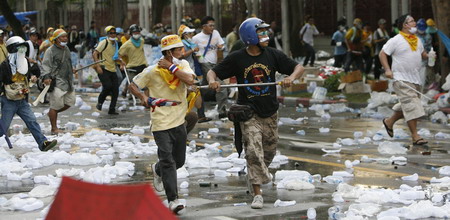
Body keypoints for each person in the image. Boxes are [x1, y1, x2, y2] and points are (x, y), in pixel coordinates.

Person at [207, 18, 305, 209]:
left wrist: (290, 78)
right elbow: (213, 73)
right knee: (253, 151)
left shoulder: (273, 55)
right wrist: (213, 81)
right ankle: (258, 193)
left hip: (270, 112)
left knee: (268, 152)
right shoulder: (237, 57)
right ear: (251, 36)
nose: (266, 36)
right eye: (261, 33)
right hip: (248, 111)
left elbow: (298, 67)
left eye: (266, 32)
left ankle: (255, 177)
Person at [128, 34, 195, 215]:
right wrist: (143, 97)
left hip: (179, 121)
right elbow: (132, 85)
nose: (183, 52)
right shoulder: (152, 71)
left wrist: (172, 67)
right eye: (179, 49)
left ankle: (157, 170)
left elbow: (190, 80)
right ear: (169, 52)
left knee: (178, 161)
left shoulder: (183, 66)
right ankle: (173, 200)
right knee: (168, 161)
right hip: (160, 123)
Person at [380, 14, 431, 146]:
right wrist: (387, 70)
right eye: (412, 21)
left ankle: (389, 122)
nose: (415, 23)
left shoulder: (417, 40)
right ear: (405, 25)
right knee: (412, 105)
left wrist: (429, 55)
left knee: (408, 105)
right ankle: (415, 136)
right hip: (401, 78)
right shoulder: (396, 40)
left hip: (415, 78)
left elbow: (422, 55)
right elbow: (382, 53)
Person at [0, 36, 58, 151]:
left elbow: (32, 75)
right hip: (9, 101)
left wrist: (35, 79)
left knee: (32, 121)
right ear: (13, 49)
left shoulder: (25, 62)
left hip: (22, 101)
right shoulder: (5, 66)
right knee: (4, 126)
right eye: (20, 48)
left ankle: (43, 143)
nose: (23, 51)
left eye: (23, 48)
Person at [41, 29, 76, 135]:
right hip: (56, 81)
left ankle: (52, 113)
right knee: (55, 105)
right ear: (56, 39)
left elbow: (68, 62)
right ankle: (54, 128)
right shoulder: (50, 51)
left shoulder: (67, 49)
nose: (65, 38)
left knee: (70, 102)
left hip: (68, 81)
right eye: (62, 37)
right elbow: (46, 65)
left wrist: (72, 69)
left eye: (66, 36)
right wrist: (46, 77)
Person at [192, 16, 227, 122]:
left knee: (202, 89)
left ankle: (200, 113)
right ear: (204, 26)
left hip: (215, 64)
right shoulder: (196, 38)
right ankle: (222, 112)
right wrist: (203, 60)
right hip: (205, 64)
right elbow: (195, 53)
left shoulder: (215, 33)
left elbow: (221, 45)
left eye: (213, 25)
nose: (212, 27)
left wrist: (221, 47)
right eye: (210, 25)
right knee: (222, 86)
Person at [93, 26, 120, 115]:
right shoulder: (104, 42)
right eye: (111, 33)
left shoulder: (115, 44)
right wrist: (98, 66)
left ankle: (112, 109)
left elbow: (114, 57)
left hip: (112, 69)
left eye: (114, 33)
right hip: (104, 68)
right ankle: (100, 102)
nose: (113, 35)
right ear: (108, 34)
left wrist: (121, 62)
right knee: (107, 86)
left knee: (115, 90)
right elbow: (95, 53)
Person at [119, 24, 148, 97]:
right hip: (132, 66)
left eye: (138, 33)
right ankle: (128, 93)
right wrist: (121, 63)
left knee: (146, 84)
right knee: (132, 84)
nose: (137, 34)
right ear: (131, 34)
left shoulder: (141, 41)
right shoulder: (127, 44)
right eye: (135, 33)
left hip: (142, 65)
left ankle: (147, 100)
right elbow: (119, 54)